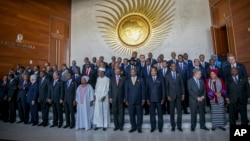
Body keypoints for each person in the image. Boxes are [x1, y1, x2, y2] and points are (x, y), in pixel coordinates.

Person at [125, 68, 145, 133]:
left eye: (134, 72)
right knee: (131, 115)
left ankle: (139, 127)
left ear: (136, 72)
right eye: (131, 72)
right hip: (130, 101)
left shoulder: (141, 80)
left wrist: (143, 99)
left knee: (139, 115)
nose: (132, 73)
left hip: (139, 100)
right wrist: (126, 99)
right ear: (130, 73)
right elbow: (126, 91)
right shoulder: (127, 81)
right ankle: (133, 127)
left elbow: (143, 90)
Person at [166, 63, 185, 132]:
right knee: (171, 112)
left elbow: (182, 85)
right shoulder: (167, 76)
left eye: (175, 66)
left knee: (179, 111)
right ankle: (173, 126)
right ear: (170, 67)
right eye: (172, 66)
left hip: (179, 95)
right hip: (171, 96)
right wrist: (167, 95)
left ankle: (179, 126)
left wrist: (183, 94)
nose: (174, 67)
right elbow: (166, 87)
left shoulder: (179, 75)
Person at [146, 67, 165, 133]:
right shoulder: (148, 79)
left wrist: (163, 98)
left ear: (156, 72)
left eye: (154, 71)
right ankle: (153, 127)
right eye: (151, 71)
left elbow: (163, 89)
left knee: (160, 114)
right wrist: (147, 99)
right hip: (151, 100)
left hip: (159, 99)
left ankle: (160, 127)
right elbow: (146, 90)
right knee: (152, 114)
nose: (153, 72)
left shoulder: (161, 79)